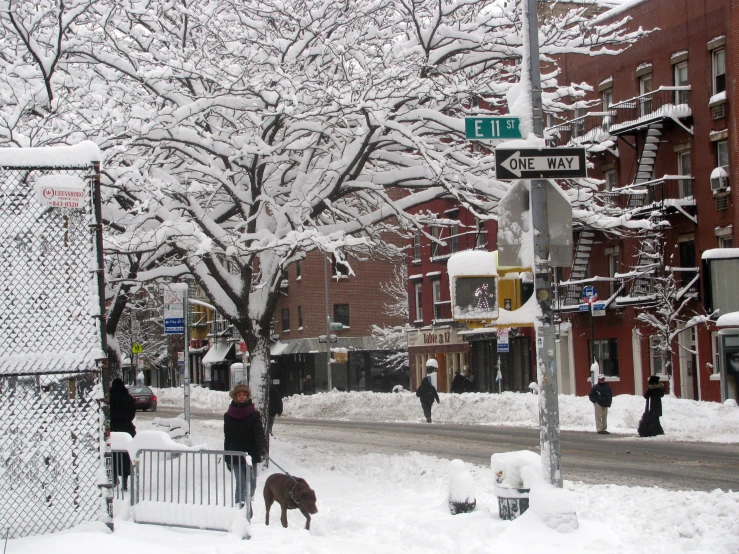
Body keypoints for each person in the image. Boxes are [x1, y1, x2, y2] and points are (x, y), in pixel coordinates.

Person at [224, 384, 265, 509]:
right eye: (239, 395)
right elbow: (227, 437)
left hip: (251, 453)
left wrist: (262, 447)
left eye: (244, 395)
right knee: (240, 483)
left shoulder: (254, 414)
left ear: (247, 396)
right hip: (235, 453)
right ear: (235, 396)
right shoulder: (229, 415)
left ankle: (249, 502)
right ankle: (240, 507)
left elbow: (259, 433)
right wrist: (227, 456)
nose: (242, 397)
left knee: (252, 482)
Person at [109, 378, 136, 491]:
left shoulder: (109, 398)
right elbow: (132, 414)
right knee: (125, 456)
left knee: (113, 454)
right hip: (126, 429)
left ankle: (114, 478)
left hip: (113, 428)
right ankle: (125, 482)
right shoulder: (128, 398)